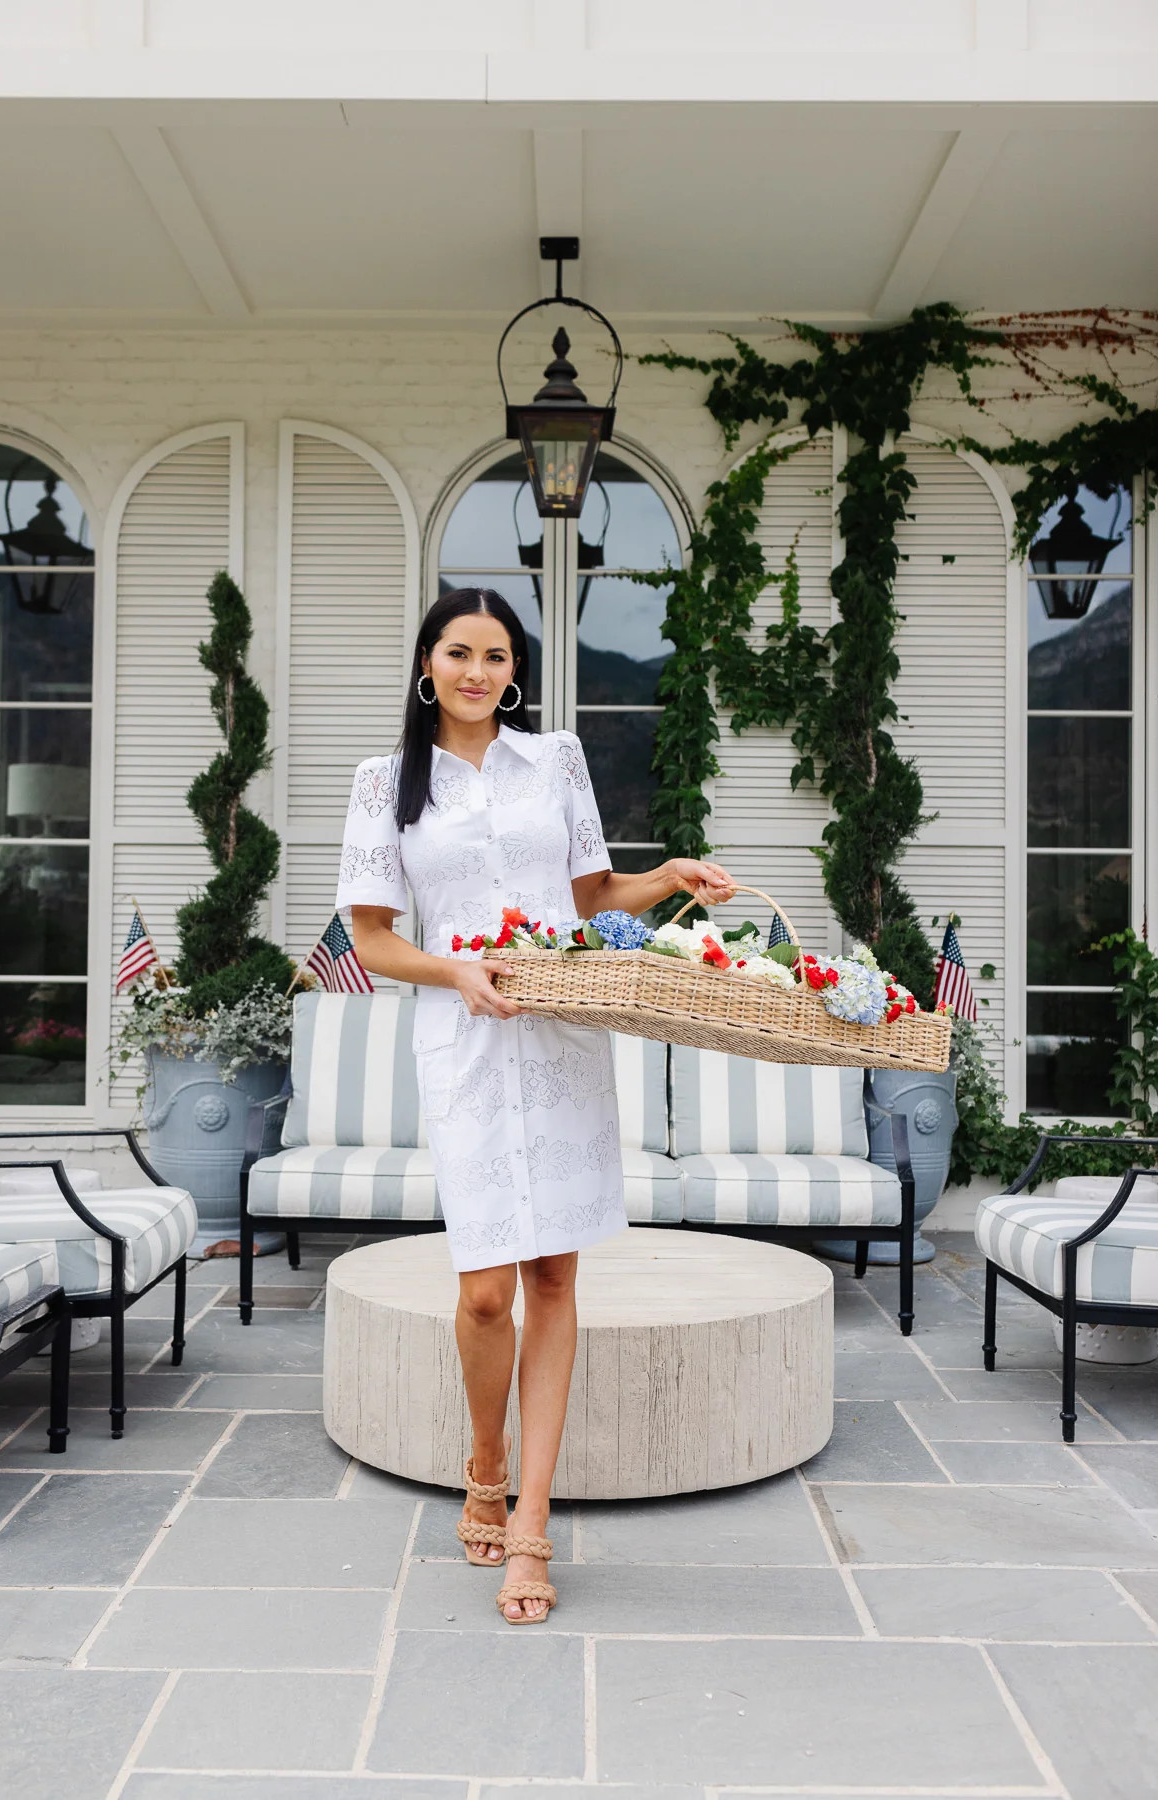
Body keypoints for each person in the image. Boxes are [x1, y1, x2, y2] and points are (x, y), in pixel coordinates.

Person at [338, 586, 735, 1622]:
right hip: (463, 1044)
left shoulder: (554, 759)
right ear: (426, 663)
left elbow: (590, 898)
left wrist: (666, 877)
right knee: (483, 1292)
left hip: (562, 1038)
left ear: (516, 671)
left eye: (497, 656)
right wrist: (453, 972)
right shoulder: (384, 782)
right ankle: (484, 1461)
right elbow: (371, 937)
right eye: (459, 653)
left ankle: (530, 1523)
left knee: (553, 1275)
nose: (478, 673)